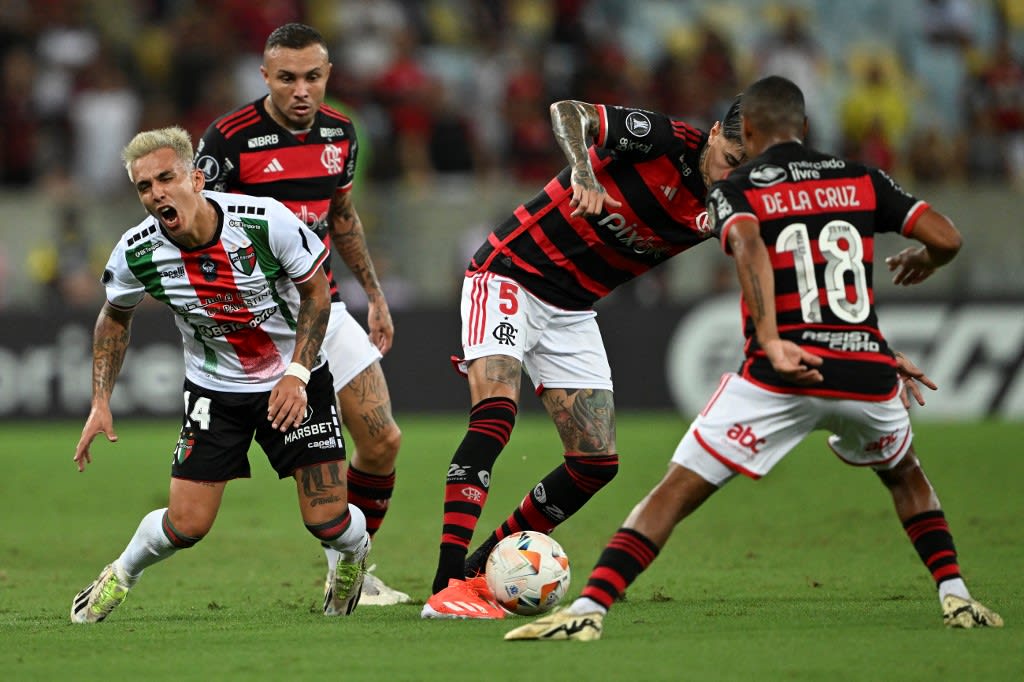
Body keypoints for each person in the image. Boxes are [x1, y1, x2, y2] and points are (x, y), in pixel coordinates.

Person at [504, 75, 1003, 641]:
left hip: (779, 371)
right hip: (865, 370)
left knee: (674, 490)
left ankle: (589, 611)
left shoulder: (743, 186)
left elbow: (748, 246)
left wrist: (768, 338)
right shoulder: (861, 178)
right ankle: (957, 594)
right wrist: (923, 267)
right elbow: (947, 238)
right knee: (906, 475)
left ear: (754, 130)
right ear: (805, 128)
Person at [422, 96, 747, 619]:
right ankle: (445, 587)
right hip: (510, 272)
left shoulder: (740, 198)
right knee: (495, 417)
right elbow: (567, 111)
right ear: (713, 135)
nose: (732, 175)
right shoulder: (663, 139)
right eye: (731, 159)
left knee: (596, 462)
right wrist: (583, 171)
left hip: (571, 307)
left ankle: (480, 572)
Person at [70, 126, 370, 623]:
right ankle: (119, 576)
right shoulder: (136, 251)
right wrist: (100, 400)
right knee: (186, 524)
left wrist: (297, 371)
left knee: (329, 520)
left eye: (166, 178)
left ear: (198, 177)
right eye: (144, 187)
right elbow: (113, 317)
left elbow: (318, 294)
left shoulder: (264, 221)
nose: (156, 193)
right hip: (214, 391)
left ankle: (353, 554)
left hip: (292, 381)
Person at [194, 23, 407, 608]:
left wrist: (376, 294)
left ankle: (352, 573)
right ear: (265, 76)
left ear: (328, 76)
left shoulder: (340, 132)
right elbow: (200, 234)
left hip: (325, 306)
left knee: (383, 440)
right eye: (286, 78)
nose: (300, 90)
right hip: (260, 322)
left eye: (312, 76)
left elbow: (342, 216)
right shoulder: (227, 142)